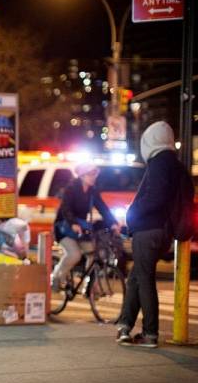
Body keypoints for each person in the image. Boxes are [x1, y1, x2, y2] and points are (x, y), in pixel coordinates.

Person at [116, 121, 180, 348]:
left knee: (144, 280)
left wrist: (132, 215)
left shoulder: (159, 164)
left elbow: (155, 197)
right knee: (136, 277)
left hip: (148, 230)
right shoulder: (176, 164)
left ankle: (150, 333)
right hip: (164, 231)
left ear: (150, 141)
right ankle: (124, 325)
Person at [51, 162, 120, 291]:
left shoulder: (92, 191)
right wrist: (73, 223)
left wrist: (113, 223)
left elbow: (103, 208)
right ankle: (57, 276)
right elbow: (66, 209)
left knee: (93, 254)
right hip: (64, 228)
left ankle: (89, 286)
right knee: (74, 254)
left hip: (81, 229)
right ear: (82, 175)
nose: (94, 177)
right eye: (91, 174)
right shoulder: (71, 188)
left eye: (95, 174)